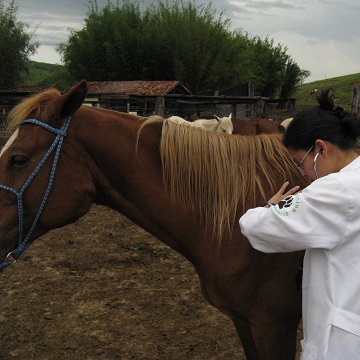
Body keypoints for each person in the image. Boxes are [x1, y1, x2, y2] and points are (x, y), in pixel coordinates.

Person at [239, 87, 360, 360]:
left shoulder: (335, 191)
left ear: (320, 148)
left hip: (343, 344)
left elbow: (256, 227)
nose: (302, 173)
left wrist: (271, 206)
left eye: (299, 162)